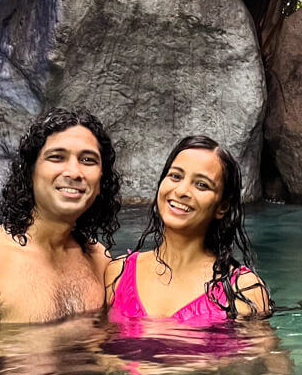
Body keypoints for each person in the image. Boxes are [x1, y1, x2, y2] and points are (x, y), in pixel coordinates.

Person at [0, 107, 121, 331]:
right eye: (57, 157)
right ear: (30, 172)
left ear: (101, 181)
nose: (74, 172)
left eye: (88, 160)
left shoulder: (100, 260)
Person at [106, 135, 271, 323]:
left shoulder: (242, 289)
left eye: (201, 185)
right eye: (175, 176)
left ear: (222, 207)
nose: (182, 191)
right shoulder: (118, 273)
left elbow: (265, 352)